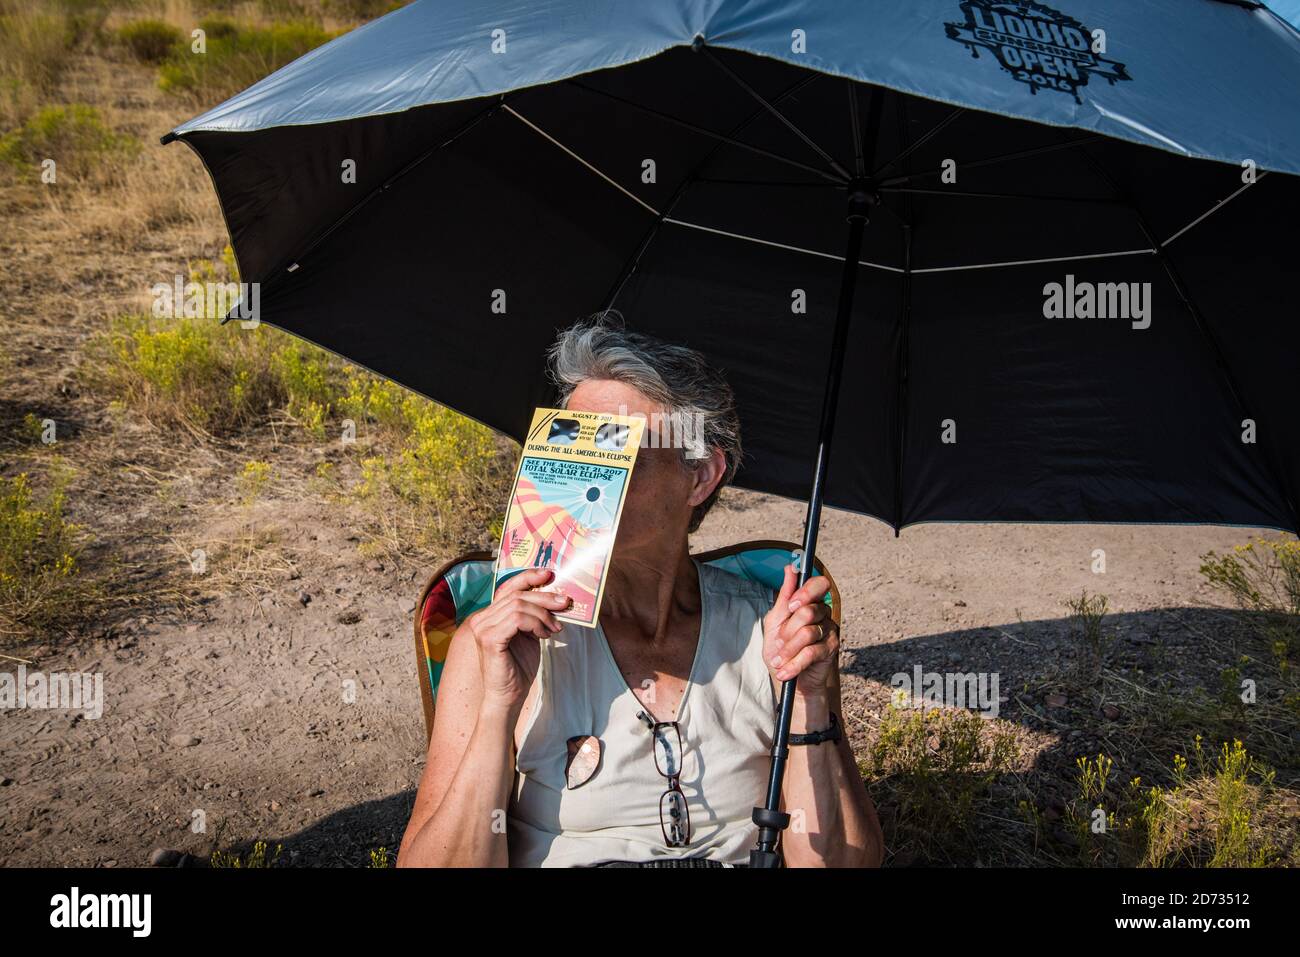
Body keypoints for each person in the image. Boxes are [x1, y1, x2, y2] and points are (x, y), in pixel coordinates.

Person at [398, 316, 883, 867]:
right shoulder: (499, 642)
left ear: (700, 476)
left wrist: (811, 704)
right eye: (567, 443)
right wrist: (496, 710)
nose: (582, 471)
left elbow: (842, 864)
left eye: (613, 447)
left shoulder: (768, 633)